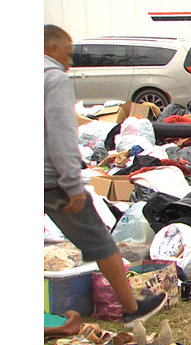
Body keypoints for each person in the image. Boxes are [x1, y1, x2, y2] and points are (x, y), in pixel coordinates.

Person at [44, 24, 166, 329]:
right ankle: (131, 308)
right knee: (100, 241)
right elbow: (61, 134)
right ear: (50, 48)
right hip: (50, 181)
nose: (69, 63)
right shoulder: (52, 77)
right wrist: (73, 184)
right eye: (67, 55)